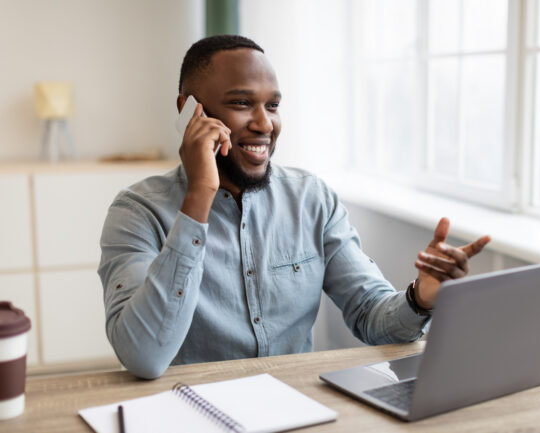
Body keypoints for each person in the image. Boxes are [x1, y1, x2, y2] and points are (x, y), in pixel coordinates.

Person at [98, 35, 490, 379]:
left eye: (273, 105)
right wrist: (200, 193)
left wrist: (420, 299)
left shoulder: (311, 199)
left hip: (296, 409)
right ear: (190, 110)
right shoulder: (137, 212)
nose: (264, 124)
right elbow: (144, 357)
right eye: (241, 103)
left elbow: (373, 318)